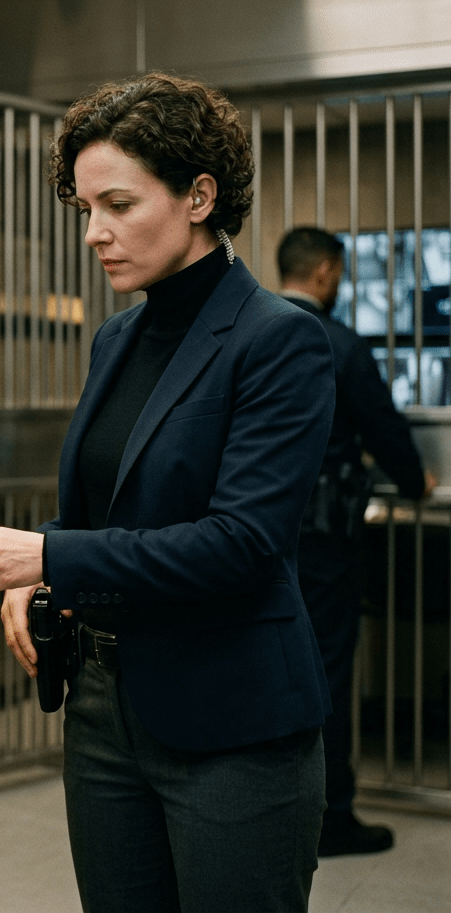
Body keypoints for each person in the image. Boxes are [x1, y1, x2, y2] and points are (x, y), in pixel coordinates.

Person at [0, 73, 336, 912]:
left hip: (230, 718)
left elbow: (242, 544)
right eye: (86, 209)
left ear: (199, 196)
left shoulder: (278, 339)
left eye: (118, 204)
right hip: (104, 708)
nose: (95, 233)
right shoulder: (117, 338)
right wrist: (38, 570)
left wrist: (51, 556)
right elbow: (106, 513)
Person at [277, 226, 435, 858]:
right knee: (326, 670)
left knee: (268, 663)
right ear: (325, 271)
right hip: (324, 539)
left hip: (250, 537)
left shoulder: (246, 336)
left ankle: (272, 808)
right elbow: (385, 430)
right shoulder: (338, 343)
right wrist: (415, 483)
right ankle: (330, 815)